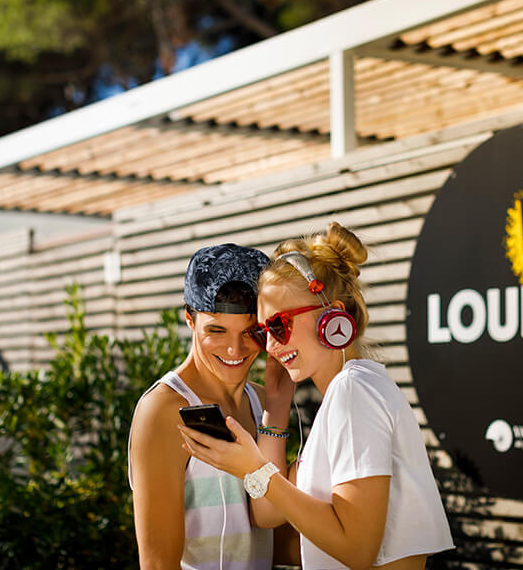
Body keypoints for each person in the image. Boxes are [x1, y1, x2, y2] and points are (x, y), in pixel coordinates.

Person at [179, 223, 454, 569]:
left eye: (279, 324)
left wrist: (253, 468)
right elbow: (268, 512)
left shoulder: (354, 393)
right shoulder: (347, 394)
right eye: (263, 332)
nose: (272, 346)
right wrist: (276, 414)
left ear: (332, 316)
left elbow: (356, 550)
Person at [128, 243, 275, 570]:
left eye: (250, 331)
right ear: (189, 319)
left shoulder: (265, 402)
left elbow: (273, 533)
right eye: (217, 330)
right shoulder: (163, 411)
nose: (235, 349)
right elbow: (157, 565)